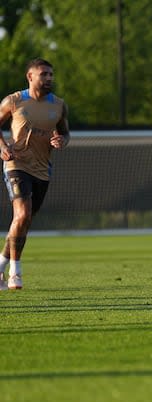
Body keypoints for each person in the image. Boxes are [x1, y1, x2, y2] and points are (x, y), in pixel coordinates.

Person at [0, 58, 70, 291]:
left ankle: (0, 264)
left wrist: (62, 140)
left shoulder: (59, 105)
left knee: (24, 221)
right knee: (22, 214)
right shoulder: (14, 101)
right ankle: (15, 273)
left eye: (51, 74)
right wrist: (2, 147)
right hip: (16, 165)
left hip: (42, 169)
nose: (49, 78)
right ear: (30, 77)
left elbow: (65, 134)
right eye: (44, 74)